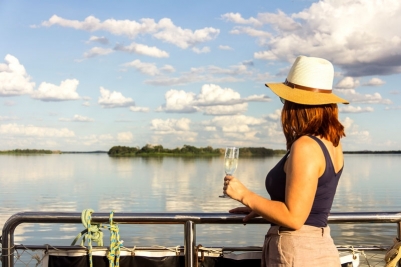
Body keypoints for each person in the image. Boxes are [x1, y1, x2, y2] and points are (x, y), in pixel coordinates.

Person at [224, 55, 349, 267]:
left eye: (285, 100)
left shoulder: (305, 146)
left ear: (295, 104)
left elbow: (294, 218)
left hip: (297, 253)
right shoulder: (332, 142)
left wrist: (246, 195)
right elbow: (308, 205)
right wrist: (264, 207)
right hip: (317, 247)